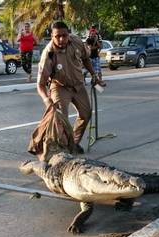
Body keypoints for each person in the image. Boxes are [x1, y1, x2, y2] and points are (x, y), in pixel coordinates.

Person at [35, 21, 99, 155]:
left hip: (78, 86)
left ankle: (73, 143)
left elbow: (86, 59)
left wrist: (94, 74)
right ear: (52, 36)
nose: (61, 39)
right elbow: (40, 85)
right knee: (61, 120)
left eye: (64, 35)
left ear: (69, 34)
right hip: (59, 87)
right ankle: (62, 151)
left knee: (86, 114)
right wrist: (47, 100)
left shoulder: (76, 42)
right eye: (57, 36)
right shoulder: (48, 54)